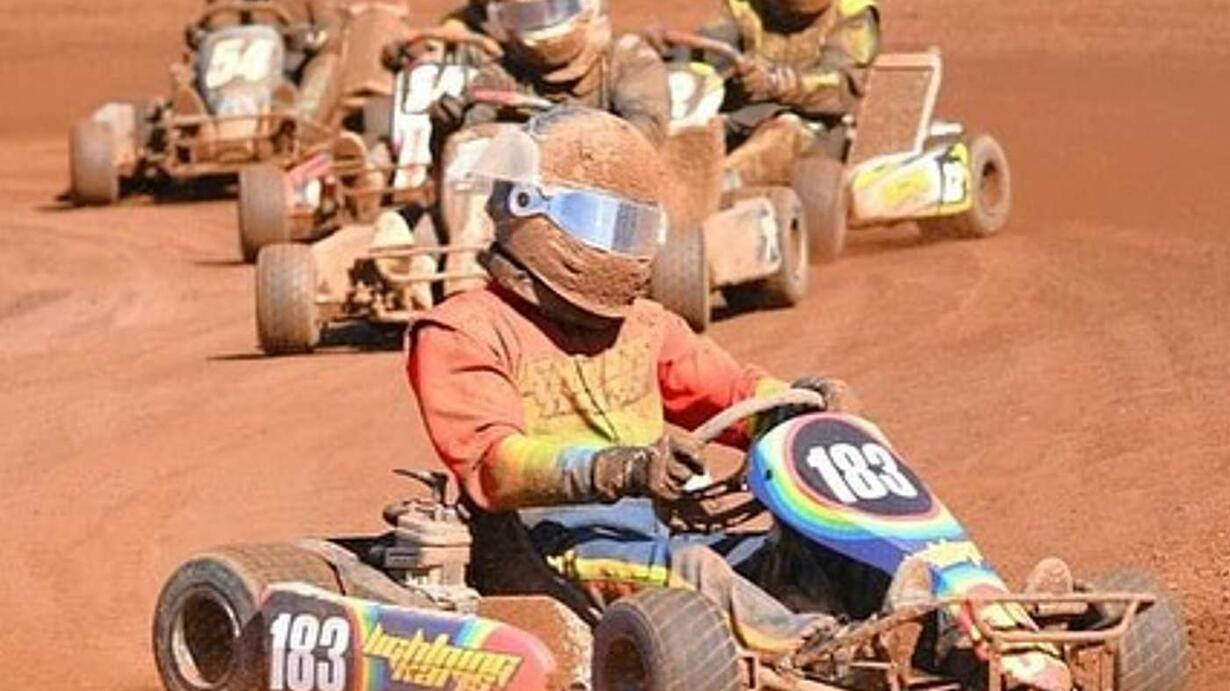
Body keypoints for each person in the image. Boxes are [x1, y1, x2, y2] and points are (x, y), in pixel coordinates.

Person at [407, 106, 858, 654]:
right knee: (695, 570)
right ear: (527, 207)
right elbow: (494, 466)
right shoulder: (464, 329)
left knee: (812, 551)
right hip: (549, 552)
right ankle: (821, 655)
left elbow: (734, 395)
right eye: (601, 223)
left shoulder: (644, 326)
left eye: (632, 227)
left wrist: (795, 408)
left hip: (653, 538)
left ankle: (924, 621)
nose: (618, 248)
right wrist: (623, 467)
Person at [701, 0, 881, 186]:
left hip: (814, 125)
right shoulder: (742, 5)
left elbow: (843, 90)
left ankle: (715, 186)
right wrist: (735, 73)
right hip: (742, 114)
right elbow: (709, 57)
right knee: (697, 129)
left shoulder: (851, 11)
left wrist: (779, 84)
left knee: (784, 134)